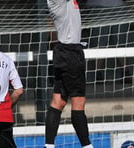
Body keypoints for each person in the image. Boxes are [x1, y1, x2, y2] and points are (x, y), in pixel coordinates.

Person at [45, 0, 93, 148]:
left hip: (66, 52)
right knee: (78, 102)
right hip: (70, 53)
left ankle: (49, 145)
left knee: (58, 101)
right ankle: (87, 146)